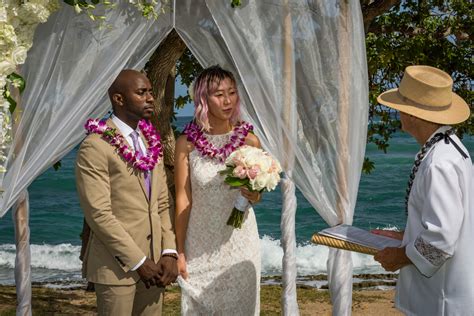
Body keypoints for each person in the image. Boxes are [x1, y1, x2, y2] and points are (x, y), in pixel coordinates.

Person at [75, 69, 178, 316]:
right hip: (116, 267)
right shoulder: (95, 146)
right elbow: (98, 214)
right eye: (142, 92)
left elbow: (163, 203)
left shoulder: (152, 142)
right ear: (118, 99)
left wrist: (169, 251)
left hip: (156, 266)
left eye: (151, 92)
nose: (151, 98)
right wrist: (138, 261)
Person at [373, 65, 473, 315]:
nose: (398, 113)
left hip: (442, 298)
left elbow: (442, 238)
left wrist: (401, 257)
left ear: (413, 115)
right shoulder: (446, 149)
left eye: (401, 108)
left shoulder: (439, 162)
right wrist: (407, 236)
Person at [174, 65, 262, 315]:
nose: (227, 101)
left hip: (239, 242)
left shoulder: (249, 140)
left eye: (232, 93)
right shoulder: (186, 144)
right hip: (199, 243)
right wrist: (180, 250)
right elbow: (183, 199)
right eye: (219, 94)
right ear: (203, 99)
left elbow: (257, 192)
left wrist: (255, 195)